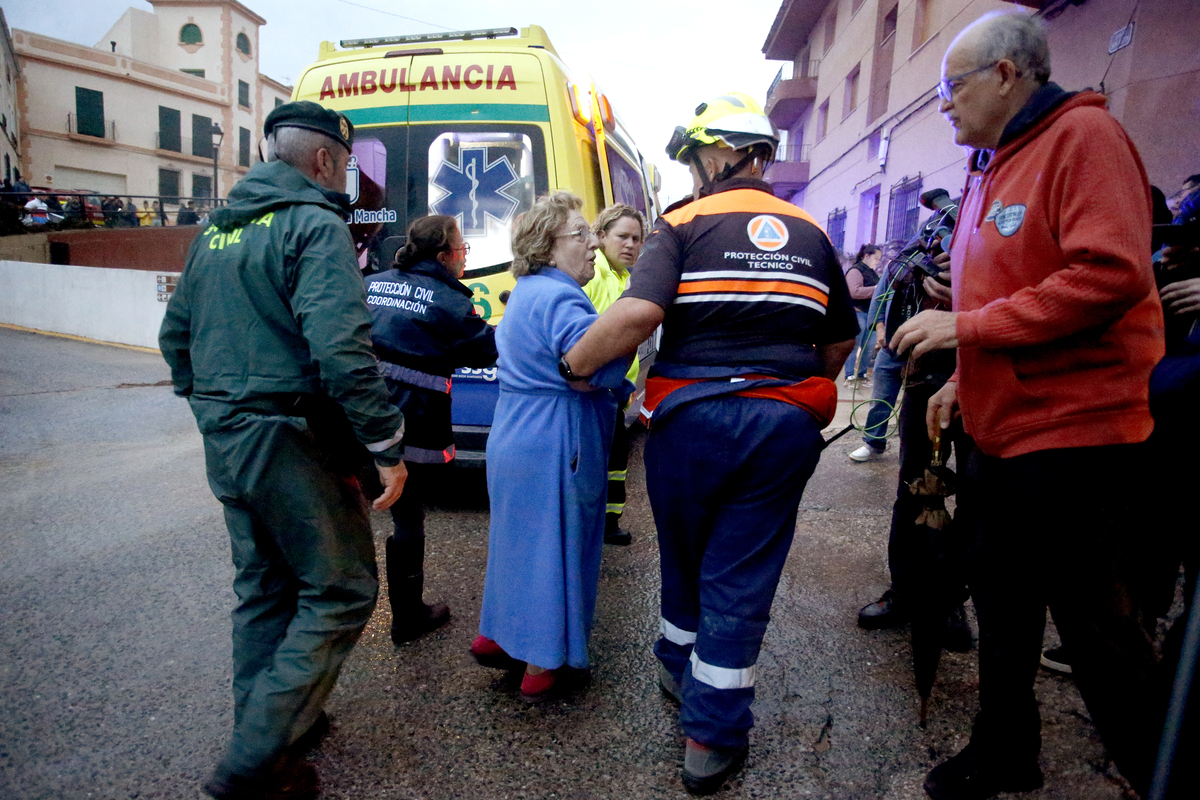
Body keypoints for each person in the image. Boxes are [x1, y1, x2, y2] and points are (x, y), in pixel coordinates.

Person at [890, 13, 1165, 800]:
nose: (944, 105)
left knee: (1095, 626)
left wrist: (966, 327)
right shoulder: (993, 160)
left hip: (1076, 435)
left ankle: (1158, 768)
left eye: (953, 87)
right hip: (1003, 430)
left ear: (1007, 74)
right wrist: (962, 376)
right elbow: (1016, 286)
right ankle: (1005, 749)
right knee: (1002, 602)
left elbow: (1110, 274)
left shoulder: (1084, 140)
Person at [560, 92, 857, 795]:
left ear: (732, 154)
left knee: (688, 550)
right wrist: (787, 391)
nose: (695, 173)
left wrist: (573, 365)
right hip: (779, 423)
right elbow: (840, 338)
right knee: (741, 570)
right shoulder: (812, 234)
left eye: (699, 158)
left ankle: (677, 661)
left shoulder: (684, 223)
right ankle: (710, 737)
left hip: (689, 419)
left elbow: (638, 311)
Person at [159, 100, 407, 800]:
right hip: (286, 433)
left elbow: (174, 338)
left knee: (264, 587)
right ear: (324, 161)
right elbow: (339, 349)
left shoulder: (215, 232)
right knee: (341, 588)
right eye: (345, 163)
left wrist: (213, 406)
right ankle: (252, 765)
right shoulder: (313, 224)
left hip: (229, 434)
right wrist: (385, 442)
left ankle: (267, 734)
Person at [472, 192, 631, 703]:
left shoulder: (525, 290)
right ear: (548, 245)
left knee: (516, 546)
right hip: (556, 438)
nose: (592, 245)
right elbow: (595, 365)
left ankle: (498, 635)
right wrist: (616, 372)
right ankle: (542, 663)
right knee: (556, 549)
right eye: (579, 235)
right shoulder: (563, 297)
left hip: (516, 429)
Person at [365, 215, 497, 645]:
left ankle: (346, 599)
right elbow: (487, 348)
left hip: (358, 413)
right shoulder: (449, 302)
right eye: (462, 250)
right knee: (407, 514)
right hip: (411, 420)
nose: (464, 258)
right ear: (443, 256)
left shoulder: (374, 282)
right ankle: (407, 615)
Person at [582, 203, 647, 546]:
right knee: (598, 460)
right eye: (622, 236)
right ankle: (595, 523)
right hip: (594, 390)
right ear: (601, 235)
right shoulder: (594, 275)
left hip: (615, 392)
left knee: (616, 460)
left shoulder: (625, 278)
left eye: (637, 239)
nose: (631, 244)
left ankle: (609, 522)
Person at [843, 244, 881, 387]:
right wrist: (876, 290)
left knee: (869, 347)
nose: (878, 261)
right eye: (876, 258)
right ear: (867, 256)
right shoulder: (855, 271)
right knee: (855, 345)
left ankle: (862, 374)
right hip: (858, 314)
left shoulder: (872, 273)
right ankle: (849, 376)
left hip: (870, 315)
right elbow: (854, 292)